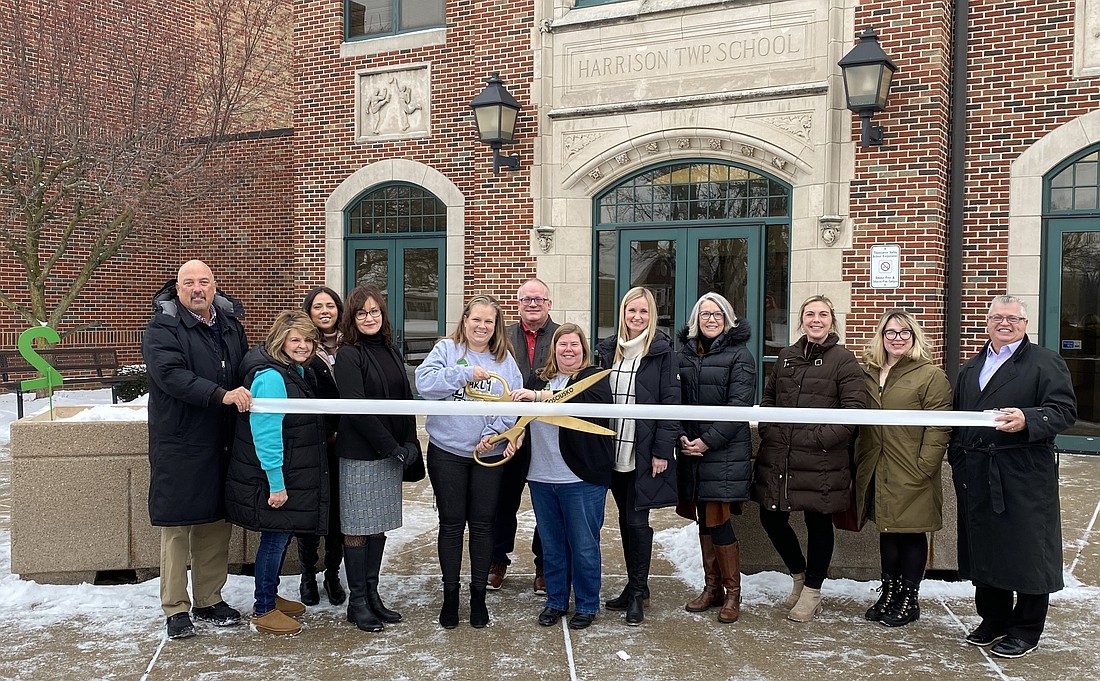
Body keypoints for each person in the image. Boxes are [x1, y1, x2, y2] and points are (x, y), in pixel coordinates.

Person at [950, 295, 1077, 658]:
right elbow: (959, 418)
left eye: (1013, 318)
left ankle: (1025, 629)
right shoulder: (972, 366)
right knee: (986, 549)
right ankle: (992, 620)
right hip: (977, 472)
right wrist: (958, 458)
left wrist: (1029, 419)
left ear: (1025, 324)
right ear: (987, 322)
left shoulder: (1045, 362)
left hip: (1022, 472)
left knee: (1027, 551)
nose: (1004, 323)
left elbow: (1065, 410)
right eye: (997, 318)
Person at [143, 259, 252, 640]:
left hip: (222, 440)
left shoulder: (230, 326)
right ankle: (175, 608)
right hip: (180, 441)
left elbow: (244, 370)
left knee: (215, 522)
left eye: (204, 281)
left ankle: (209, 598)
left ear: (215, 285)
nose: (197, 289)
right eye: (188, 283)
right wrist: (220, 395)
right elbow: (170, 376)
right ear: (177, 289)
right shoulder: (162, 328)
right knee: (177, 525)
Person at [752, 294, 865, 623]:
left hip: (821, 459)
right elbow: (769, 397)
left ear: (832, 321)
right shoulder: (786, 357)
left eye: (823, 314)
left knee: (818, 522)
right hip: (781, 455)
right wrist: (769, 430)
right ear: (801, 320)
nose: (816, 319)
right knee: (771, 517)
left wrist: (820, 440)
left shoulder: (844, 360)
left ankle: (813, 591)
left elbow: (853, 412)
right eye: (810, 314)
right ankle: (799, 576)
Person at [415, 294, 524, 629]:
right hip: (447, 451)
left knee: (482, 524)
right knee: (451, 523)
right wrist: (462, 375)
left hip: (486, 454)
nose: (481, 326)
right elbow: (424, 384)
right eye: (476, 319)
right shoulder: (447, 350)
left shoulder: (505, 359)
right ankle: (450, 597)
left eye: (488, 321)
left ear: (496, 326)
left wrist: (495, 432)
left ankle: (478, 597)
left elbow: (513, 403)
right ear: (465, 320)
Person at [224, 310, 329, 636]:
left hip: (290, 473)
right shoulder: (271, 377)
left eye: (308, 340)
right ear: (279, 340)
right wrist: (276, 484)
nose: (303, 346)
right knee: (274, 540)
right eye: (295, 339)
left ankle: (269, 596)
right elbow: (266, 435)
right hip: (274, 477)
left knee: (279, 538)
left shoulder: (292, 370)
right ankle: (264, 608)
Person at [510, 324, 614, 630]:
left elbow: (579, 404)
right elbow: (522, 417)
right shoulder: (538, 378)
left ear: (584, 348)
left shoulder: (592, 378)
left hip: (580, 479)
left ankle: (586, 604)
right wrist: (514, 434)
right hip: (542, 477)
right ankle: (555, 601)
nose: (569, 350)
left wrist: (538, 396)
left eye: (575, 344)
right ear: (553, 348)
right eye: (562, 344)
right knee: (552, 547)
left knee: (583, 545)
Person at [853, 310, 952, 628]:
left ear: (915, 337)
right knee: (888, 530)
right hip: (878, 466)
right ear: (881, 336)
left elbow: (939, 428)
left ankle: (909, 598)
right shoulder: (867, 372)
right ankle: (891, 591)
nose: (897, 338)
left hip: (911, 468)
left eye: (904, 332)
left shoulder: (929, 375)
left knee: (910, 533)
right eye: (891, 332)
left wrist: (924, 467)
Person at [334, 286, 420, 633]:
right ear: (352, 319)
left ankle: (372, 594)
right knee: (357, 528)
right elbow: (356, 409)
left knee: (378, 525)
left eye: (375, 311)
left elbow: (405, 398)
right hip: (361, 455)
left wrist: (411, 441)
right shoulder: (348, 354)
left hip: (390, 453)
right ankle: (357, 603)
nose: (370, 318)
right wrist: (391, 446)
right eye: (361, 313)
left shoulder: (389, 348)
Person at [595, 286, 680, 626]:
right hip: (611, 449)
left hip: (643, 452)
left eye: (644, 311)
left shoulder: (662, 352)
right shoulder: (608, 351)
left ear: (652, 315)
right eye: (632, 311)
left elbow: (671, 404)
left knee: (637, 521)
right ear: (622, 313)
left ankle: (638, 594)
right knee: (624, 521)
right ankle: (634, 586)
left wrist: (662, 450)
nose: (637, 317)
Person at [676, 293, 756, 624]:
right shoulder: (683, 355)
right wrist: (682, 435)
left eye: (718, 314)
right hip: (690, 450)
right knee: (702, 521)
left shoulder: (741, 355)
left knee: (719, 520)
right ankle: (712, 589)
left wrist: (707, 442)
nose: (711, 319)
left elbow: (739, 406)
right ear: (696, 319)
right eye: (705, 314)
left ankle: (733, 593)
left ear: (728, 318)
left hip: (723, 452)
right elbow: (673, 398)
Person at [489, 278, 560, 593]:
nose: (532, 304)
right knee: (503, 499)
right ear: (517, 304)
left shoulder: (563, 336)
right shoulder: (501, 336)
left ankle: (544, 565)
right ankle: (497, 559)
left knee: (547, 500)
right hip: (508, 429)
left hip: (548, 431)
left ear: (549, 303)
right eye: (526, 299)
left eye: (538, 299)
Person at [296, 286, 346, 607]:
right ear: (309, 311)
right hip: (311, 442)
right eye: (318, 306)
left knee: (338, 513)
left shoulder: (352, 344)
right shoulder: (299, 345)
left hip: (344, 440)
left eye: (330, 305)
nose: (325, 311)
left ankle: (332, 573)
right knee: (310, 510)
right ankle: (307, 575)